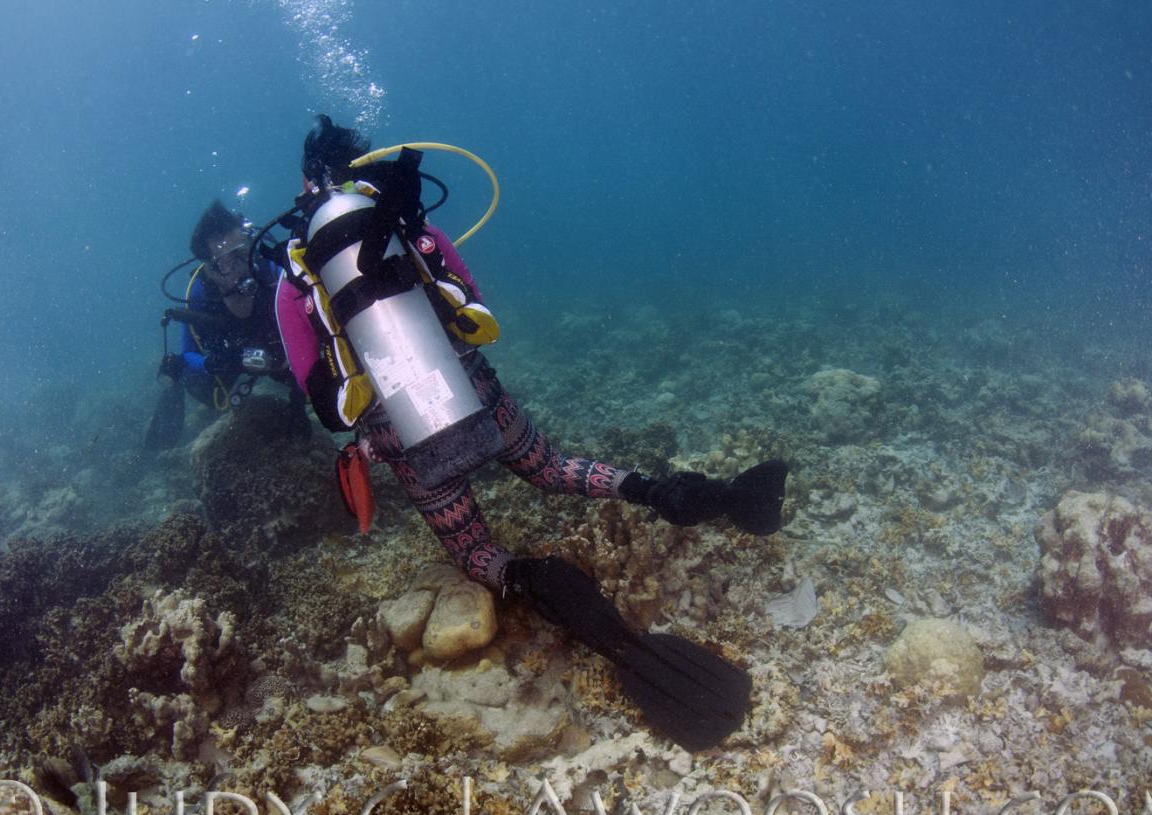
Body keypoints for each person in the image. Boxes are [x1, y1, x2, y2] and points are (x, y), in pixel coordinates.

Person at [271, 115, 788, 750]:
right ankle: (694, 497)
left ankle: (585, 619)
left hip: (405, 437)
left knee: (478, 555)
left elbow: (326, 405)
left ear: (305, 184)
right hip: (476, 394)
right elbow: (472, 309)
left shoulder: (297, 281)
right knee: (553, 469)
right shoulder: (411, 227)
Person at [147, 202, 311, 449]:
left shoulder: (272, 268)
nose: (241, 267)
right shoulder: (201, 291)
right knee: (208, 394)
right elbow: (188, 353)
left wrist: (299, 403)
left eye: (242, 252)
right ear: (210, 268)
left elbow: (312, 325)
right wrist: (214, 362)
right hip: (231, 359)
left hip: (282, 353)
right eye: (226, 262)